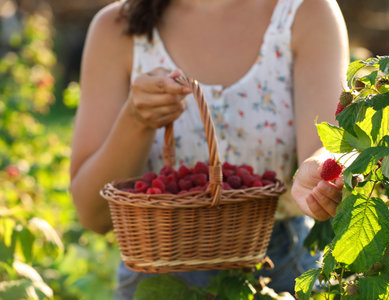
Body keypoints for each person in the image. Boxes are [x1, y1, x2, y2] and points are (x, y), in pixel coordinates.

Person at [69, 0, 349, 298]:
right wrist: (136, 120)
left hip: (279, 274)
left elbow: (326, 145)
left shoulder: (304, 11)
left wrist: (321, 172)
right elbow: (93, 214)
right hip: (159, 278)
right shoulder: (118, 27)